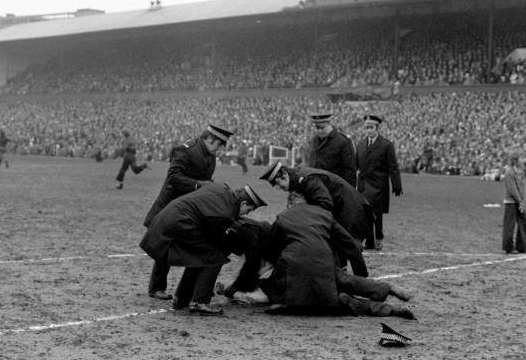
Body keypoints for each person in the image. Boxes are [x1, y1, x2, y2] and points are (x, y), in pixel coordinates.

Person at [221, 192, 413, 318]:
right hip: (325, 261)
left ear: (290, 205)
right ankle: (385, 288)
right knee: (344, 281)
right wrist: (359, 269)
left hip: (295, 267)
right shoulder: (324, 215)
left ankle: (382, 309)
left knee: (275, 290)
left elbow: (270, 247)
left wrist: (238, 285)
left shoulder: (283, 217)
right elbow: (348, 244)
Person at [140, 182, 267, 316]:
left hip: (167, 220)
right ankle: (200, 302)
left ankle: (181, 299)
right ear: (243, 203)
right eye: (248, 210)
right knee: (214, 256)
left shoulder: (221, 188)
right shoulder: (226, 210)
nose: (246, 214)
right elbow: (216, 237)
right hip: (178, 225)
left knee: (200, 255)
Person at [143, 124, 234, 300]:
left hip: (190, 209)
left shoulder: (210, 156)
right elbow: (173, 177)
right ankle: (156, 288)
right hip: (169, 206)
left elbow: (206, 181)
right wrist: (199, 185)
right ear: (209, 139)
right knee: (164, 246)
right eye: (219, 144)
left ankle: (192, 288)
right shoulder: (184, 150)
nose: (220, 149)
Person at [260, 161, 372, 275]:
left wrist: (309, 218)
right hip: (338, 210)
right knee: (336, 245)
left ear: (284, 174)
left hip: (350, 209)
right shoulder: (296, 180)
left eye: (278, 183)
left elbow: (325, 203)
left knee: (348, 245)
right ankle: (341, 275)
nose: (279, 188)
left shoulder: (307, 180)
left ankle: (361, 280)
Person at [356, 115, 402, 249]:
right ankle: (369, 241)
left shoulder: (386, 145)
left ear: (377, 128)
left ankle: (379, 237)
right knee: (365, 213)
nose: (368, 130)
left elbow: (393, 166)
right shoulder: (360, 144)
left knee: (376, 214)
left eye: (371, 128)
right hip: (363, 186)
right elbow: (355, 165)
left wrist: (396, 185)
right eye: (366, 128)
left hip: (378, 186)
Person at [305, 113, 357, 187]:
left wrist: (348, 192)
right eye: (317, 128)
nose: (320, 131)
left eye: (322, 128)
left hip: (335, 189)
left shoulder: (343, 142)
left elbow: (349, 172)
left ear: (329, 124)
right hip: (318, 188)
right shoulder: (314, 141)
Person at [502, 154, 526, 254]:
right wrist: (520, 201)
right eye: (521, 159)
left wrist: (524, 202)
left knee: (524, 223)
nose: (523, 161)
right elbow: (512, 189)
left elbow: (524, 187)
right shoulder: (509, 173)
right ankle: (508, 247)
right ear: (516, 161)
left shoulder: (521, 172)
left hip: (520, 202)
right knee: (510, 224)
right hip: (511, 202)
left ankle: (522, 246)